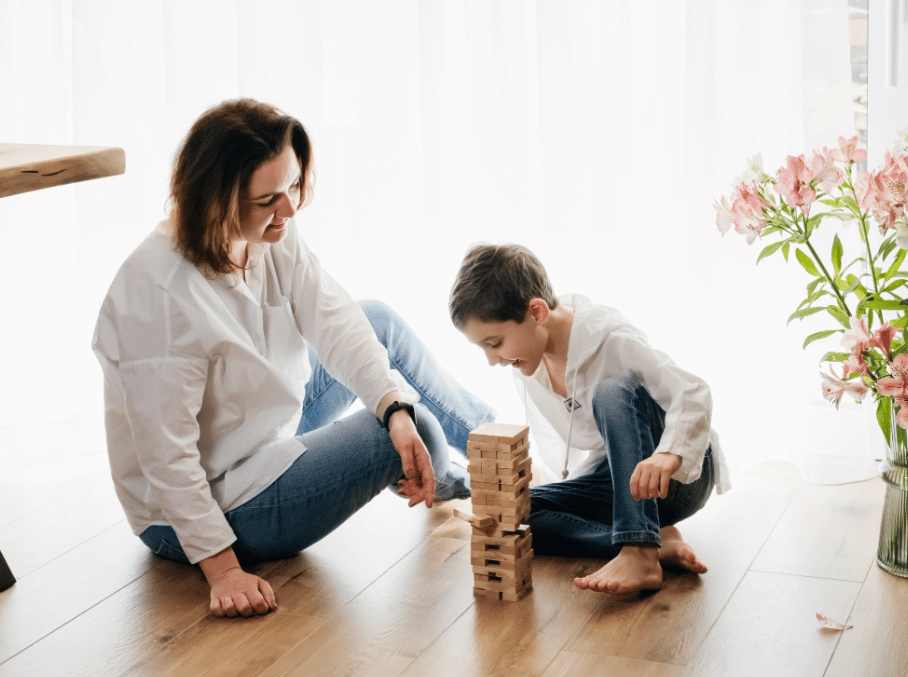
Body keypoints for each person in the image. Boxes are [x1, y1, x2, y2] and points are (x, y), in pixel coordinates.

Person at [92, 99, 494, 619]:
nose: (289, 209)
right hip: (201, 505)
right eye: (268, 199)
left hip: (263, 433)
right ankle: (471, 485)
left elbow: (334, 318)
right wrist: (224, 570)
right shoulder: (158, 297)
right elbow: (165, 458)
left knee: (378, 325)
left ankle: (494, 445)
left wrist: (392, 406)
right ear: (215, 201)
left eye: (293, 187)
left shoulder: (269, 229)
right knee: (412, 436)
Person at [449, 243, 730, 595]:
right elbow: (562, 449)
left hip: (677, 477)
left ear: (536, 312)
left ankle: (640, 551)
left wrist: (668, 454)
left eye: (495, 343)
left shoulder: (611, 339)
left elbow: (693, 391)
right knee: (517, 514)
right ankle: (648, 542)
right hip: (621, 483)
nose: (493, 360)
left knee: (612, 391)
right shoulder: (528, 362)